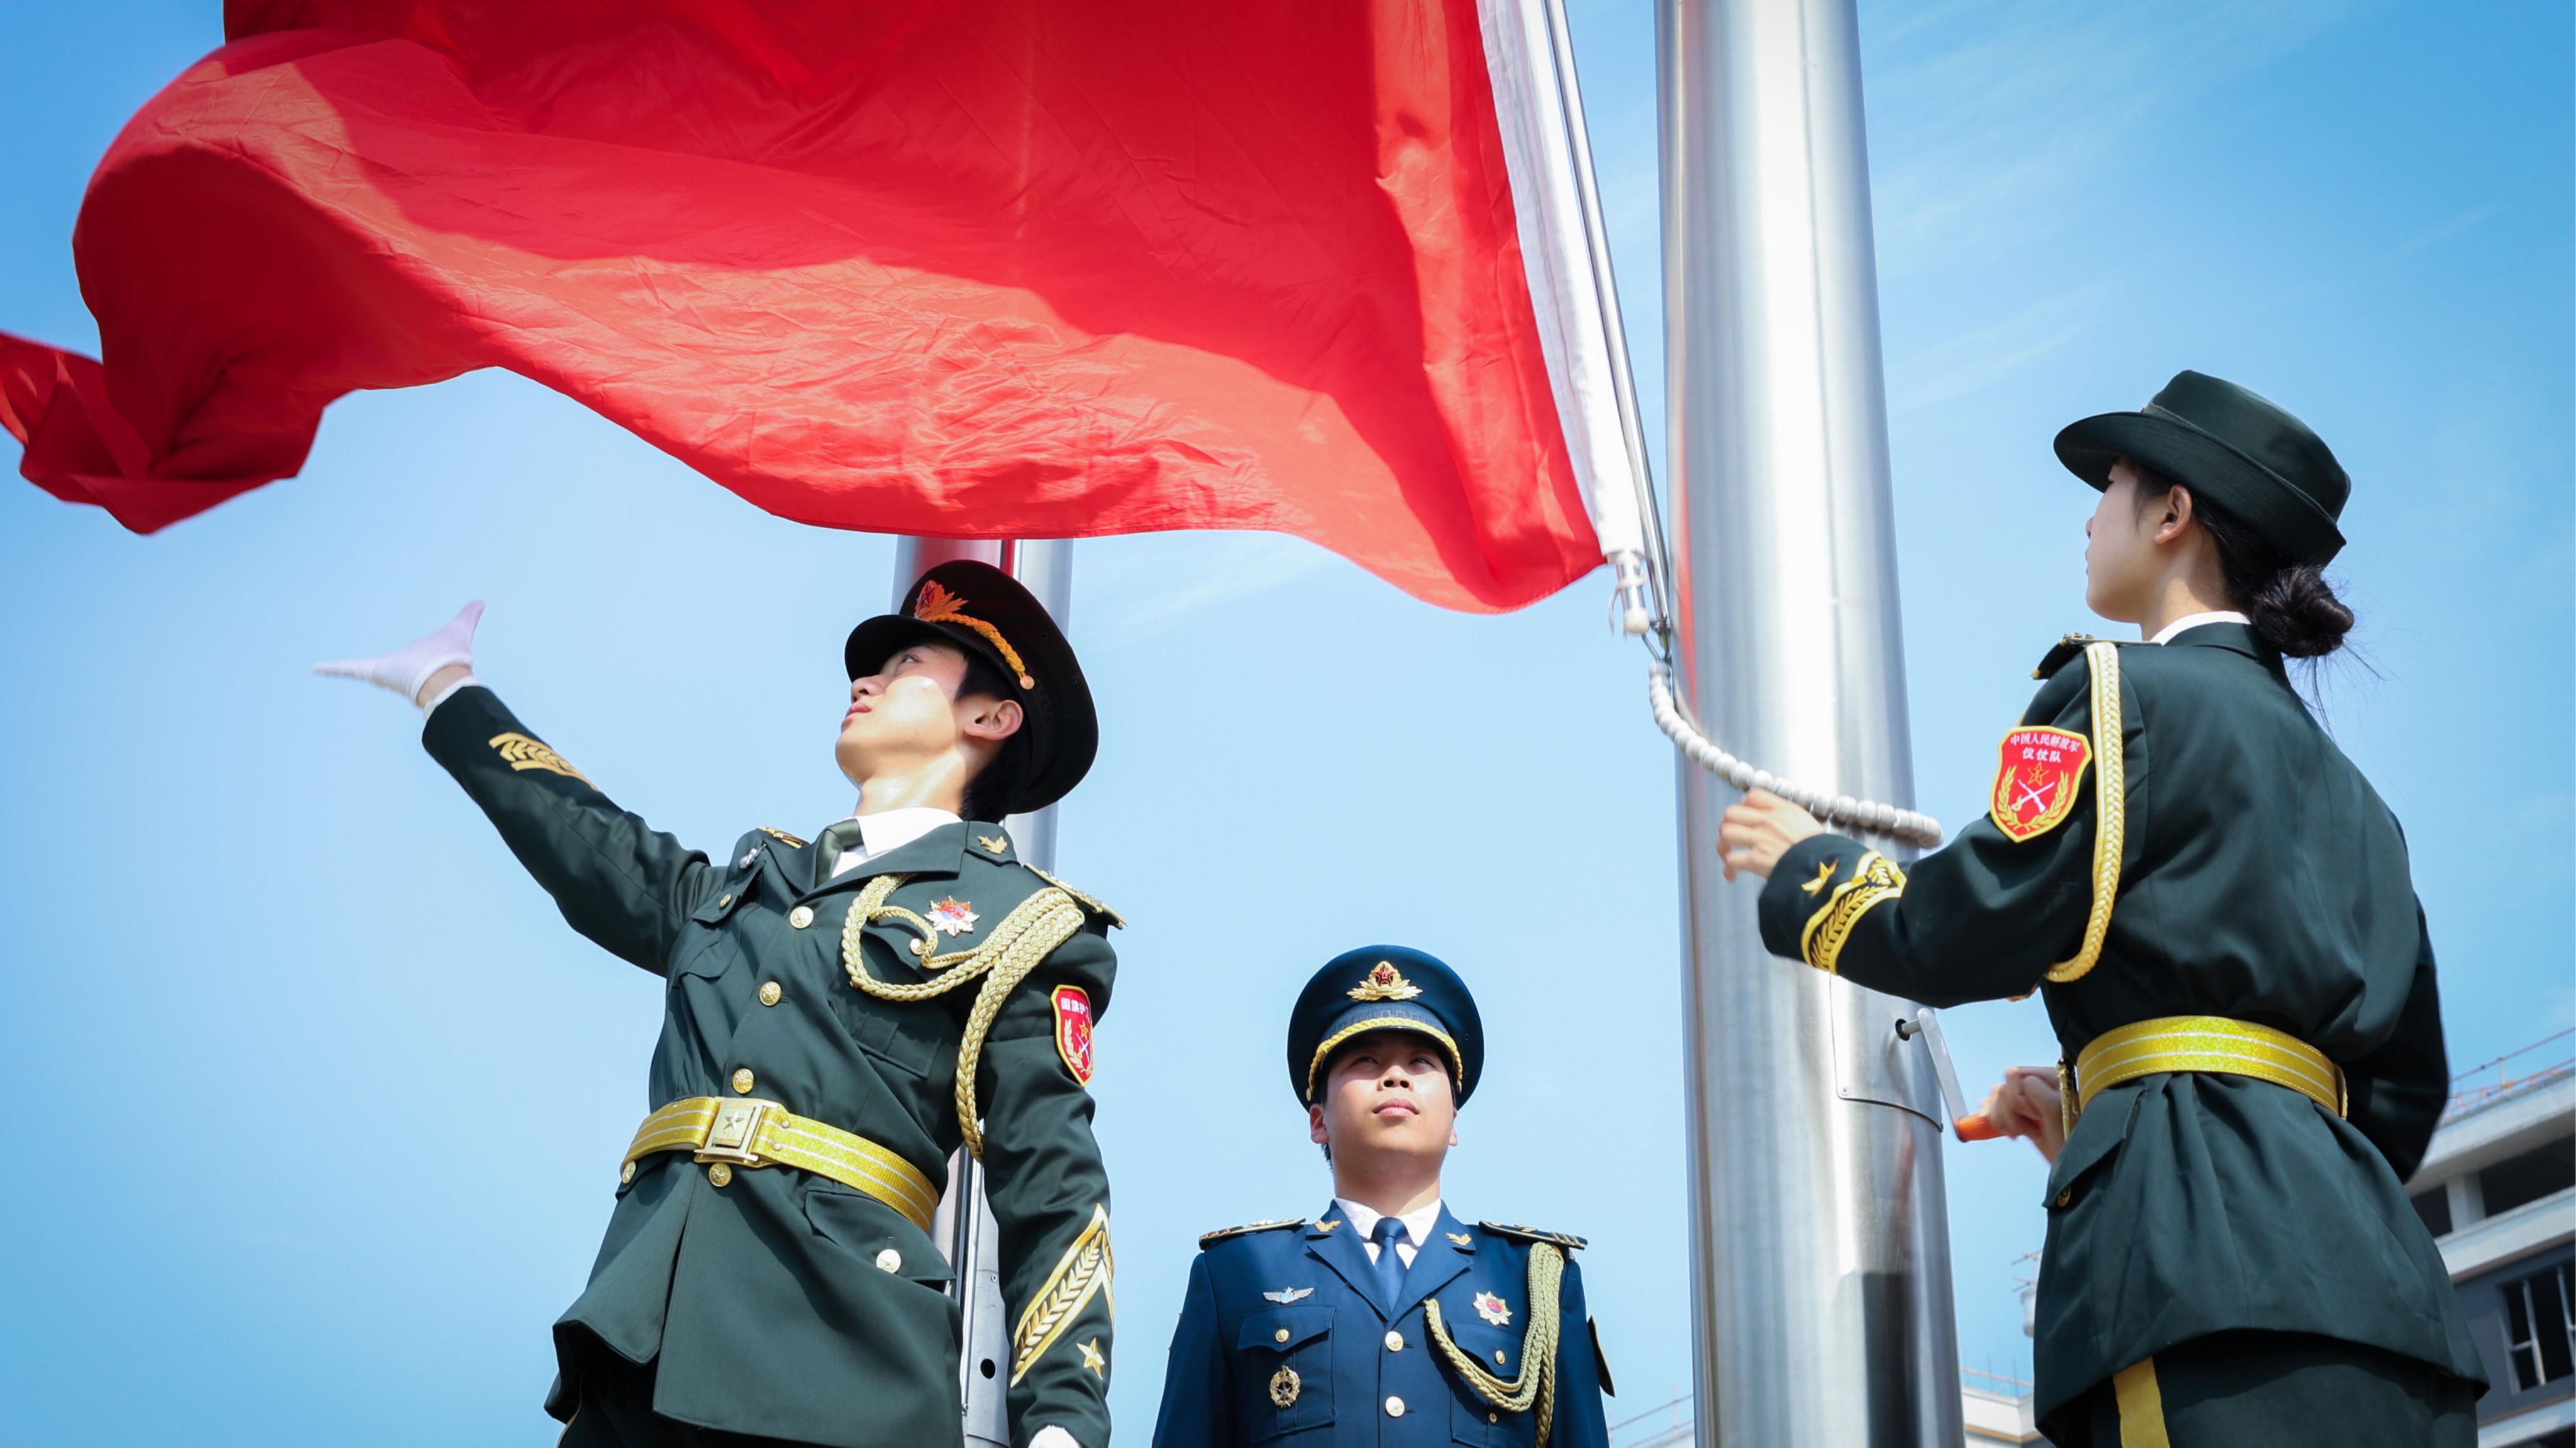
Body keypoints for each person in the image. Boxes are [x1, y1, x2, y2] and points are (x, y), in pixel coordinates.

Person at [1715, 371, 2487, 1447]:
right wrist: (2108, 1109)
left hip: (2193, 1286)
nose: (2089, 513)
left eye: (2113, 484)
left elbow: (1971, 923)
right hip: (2388, 1304)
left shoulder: (2118, 692)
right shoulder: (2365, 804)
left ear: (2173, 515)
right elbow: (2398, 1094)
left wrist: (1809, 868)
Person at [317, 561, 1123, 1448]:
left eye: (906, 669)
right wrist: (448, 690)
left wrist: (1062, 1425)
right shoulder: (751, 883)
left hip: (837, 1373)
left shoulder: (1024, 922)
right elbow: (590, 842)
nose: (865, 680)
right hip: (639, 1356)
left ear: (990, 715)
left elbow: (1055, 1189)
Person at [1150, 946, 1613, 1448]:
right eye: (1366, 1060)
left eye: (1420, 1061)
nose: (1396, 1076)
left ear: (1454, 1119)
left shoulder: (1535, 1280)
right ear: (1319, 1119)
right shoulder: (1236, 1274)